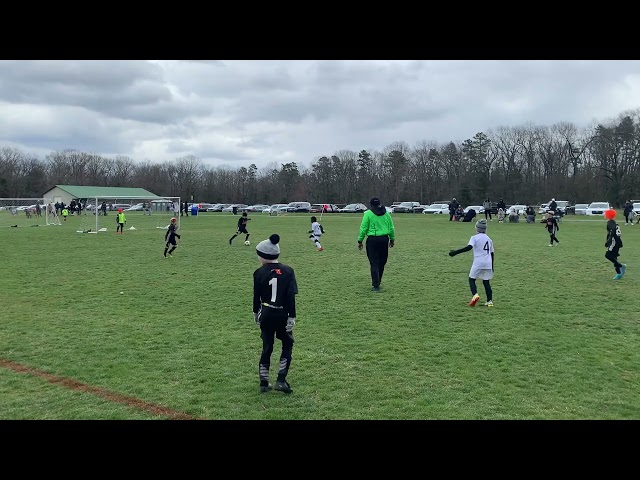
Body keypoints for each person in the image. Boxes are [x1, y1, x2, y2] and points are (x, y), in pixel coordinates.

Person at [253, 234, 298, 394]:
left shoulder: (258, 272)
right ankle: (281, 379)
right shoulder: (288, 271)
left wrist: (255, 313)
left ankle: (264, 382)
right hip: (282, 314)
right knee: (287, 344)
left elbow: (256, 296)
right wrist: (291, 317)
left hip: (265, 313)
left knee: (267, 346)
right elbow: (290, 297)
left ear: (263, 256)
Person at [448, 219, 494, 307]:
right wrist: (492, 266)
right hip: (488, 263)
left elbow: (469, 247)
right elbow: (492, 253)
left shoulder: (474, 237)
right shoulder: (489, 239)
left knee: (472, 279)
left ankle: (475, 295)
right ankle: (489, 301)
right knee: (486, 282)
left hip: (478, 262)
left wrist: (455, 252)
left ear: (477, 228)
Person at [357, 197, 395, 292]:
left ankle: (375, 284)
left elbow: (364, 228)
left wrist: (360, 240)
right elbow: (391, 227)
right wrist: (392, 239)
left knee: (374, 262)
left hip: (372, 240)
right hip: (384, 239)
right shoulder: (386, 213)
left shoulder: (368, 214)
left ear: (371, 205)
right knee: (382, 262)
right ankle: (378, 282)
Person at [604, 210, 626, 280]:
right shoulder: (614, 223)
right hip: (618, 242)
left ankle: (621, 266)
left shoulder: (610, 223)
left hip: (614, 242)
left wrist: (608, 242)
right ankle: (619, 274)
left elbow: (612, 233)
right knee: (614, 257)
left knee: (608, 255)